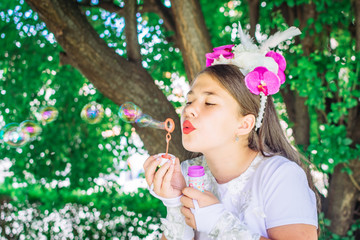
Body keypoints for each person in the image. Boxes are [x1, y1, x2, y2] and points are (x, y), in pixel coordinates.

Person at [143, 24, 319, 240]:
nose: (188, 109)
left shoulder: (280, 176)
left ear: (244, 125)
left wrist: (220, 223)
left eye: (209, 102)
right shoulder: (187, 172)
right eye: (189, 101)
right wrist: (174, 202)